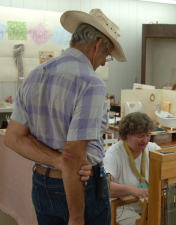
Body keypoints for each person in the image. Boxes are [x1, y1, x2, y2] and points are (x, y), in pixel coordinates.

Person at [4, 8, 127, 225]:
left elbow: (13, 137)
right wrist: (77, 217)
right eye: (106, 55)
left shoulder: (36, 74)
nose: (103, 63)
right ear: (98, 44)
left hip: (42, 184)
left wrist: (55, 161)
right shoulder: (91, 82)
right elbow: (72, 156)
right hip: (79, 189)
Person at [104, 112, 161, 225]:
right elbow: (105, 185)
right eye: (140, 136)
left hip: (148, 205)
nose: (145, 140)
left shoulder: (153, 149)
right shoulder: (113, 154)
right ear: (125, 136)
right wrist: (132, 190)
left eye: (148, 135)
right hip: (122, 208)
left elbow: (169, 165)